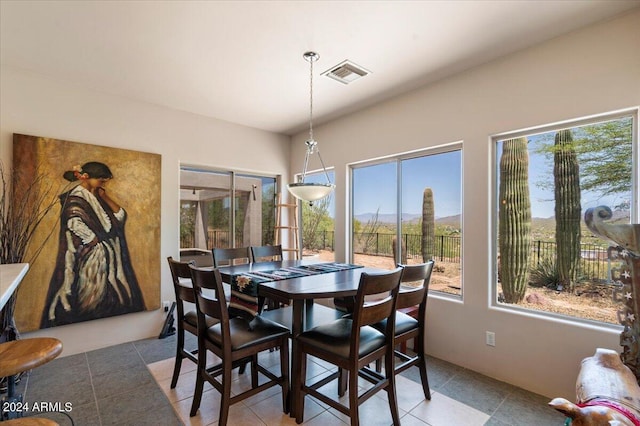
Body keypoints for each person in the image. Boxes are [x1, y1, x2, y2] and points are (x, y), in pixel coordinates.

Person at [41, 162, 145, 328]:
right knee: (89, 294)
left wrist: (105, 197)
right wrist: (91, 239)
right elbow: (73, 221)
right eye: (101, 180)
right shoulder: (76, 197)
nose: (103, 184)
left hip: (109, 256)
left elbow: (120, 217)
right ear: (86, 177)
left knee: (112, 292)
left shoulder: (97, 196)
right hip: (91, 257)